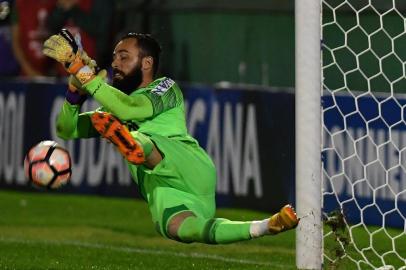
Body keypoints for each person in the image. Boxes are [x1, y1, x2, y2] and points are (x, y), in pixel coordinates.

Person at [43, 29, 299, 244]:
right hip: (162, 189)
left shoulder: (166, 88)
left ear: (147, 63)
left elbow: (128, 108)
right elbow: (67, 129)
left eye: (124, 57)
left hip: (188, 166)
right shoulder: (110, 112)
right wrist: (74, 92)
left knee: (141, 139)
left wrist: (81, 70)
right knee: (181, 229)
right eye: (114, 58)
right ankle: (266, 226)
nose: (115, 64)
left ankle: (134, 143)